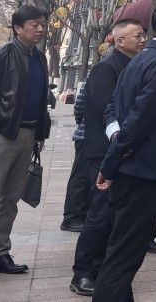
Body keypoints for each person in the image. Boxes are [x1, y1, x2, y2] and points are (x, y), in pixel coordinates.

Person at [91, 1, 156, 302]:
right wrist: (111, 163)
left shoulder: (141, 59)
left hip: (133, 169)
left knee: (122, 251)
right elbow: (140, 120)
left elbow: (115, 109)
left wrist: (114, 158)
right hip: (145, 172)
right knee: (125, 255)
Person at [68, 19, 146, 295]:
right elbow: (105, 110)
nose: (142, 39)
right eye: (137, 35)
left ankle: (101, 269)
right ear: (120, 41)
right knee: (99, 214)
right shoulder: (107, 68)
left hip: (120, 151)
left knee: (112, 215)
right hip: (102, 151)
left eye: (143, 35)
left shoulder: (134, 65)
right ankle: (83, 273)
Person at [0, 4, 51, 284]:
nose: (40, 29)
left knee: (10, 199)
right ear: (18, 28)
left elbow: (40, 98)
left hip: (28, 135)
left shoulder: (39, 58)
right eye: (34, 24)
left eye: (42, 24)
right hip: (3, 136)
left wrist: (40, 134)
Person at [61, 80, 91, 232]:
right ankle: (72, 218)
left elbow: (79, 106)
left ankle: (81, 215)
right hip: (86, 135)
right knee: (80, 178)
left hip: (88, 133)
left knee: (84, 178)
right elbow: (79, 105)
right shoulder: (97, 73)